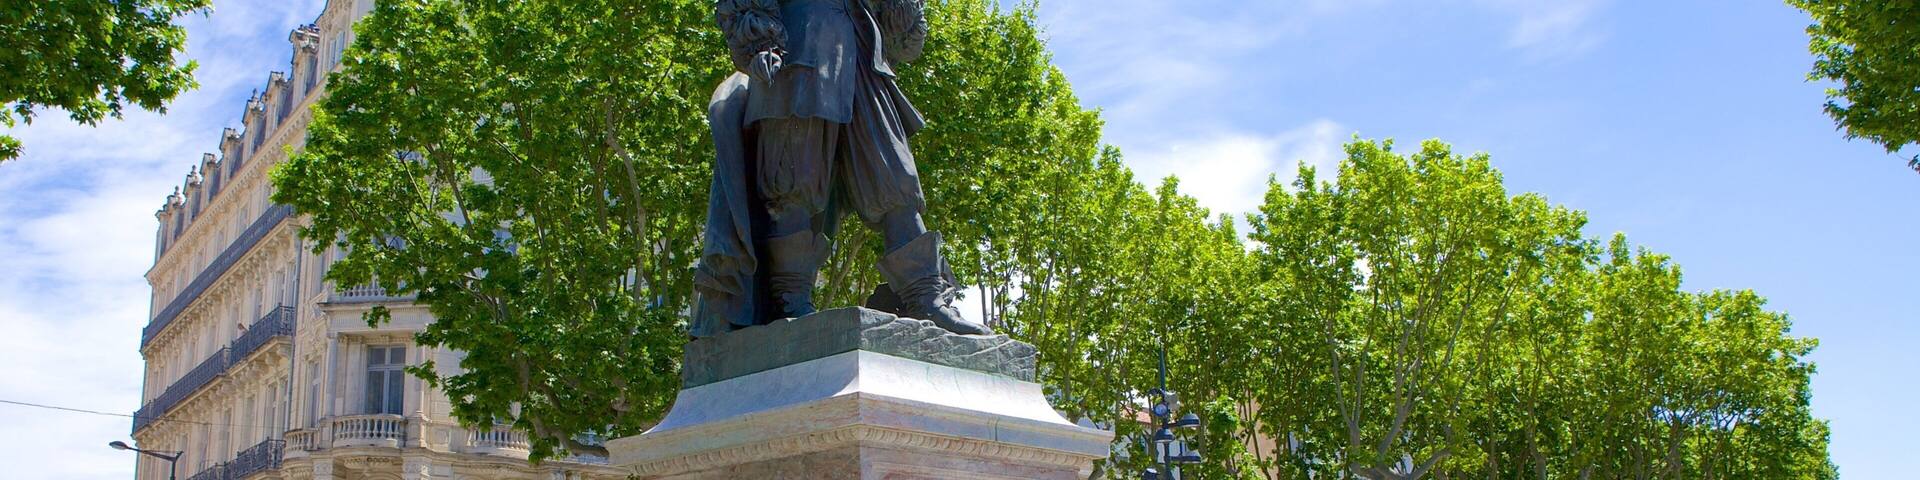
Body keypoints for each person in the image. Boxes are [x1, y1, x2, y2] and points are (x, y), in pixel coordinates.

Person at [693, 0, 990, 336]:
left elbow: (903, 37)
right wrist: (760, 43)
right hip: (796, 50)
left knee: (895, 178)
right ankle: (791, 302)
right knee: (792, 184)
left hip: (862, 53)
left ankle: (926, 297)